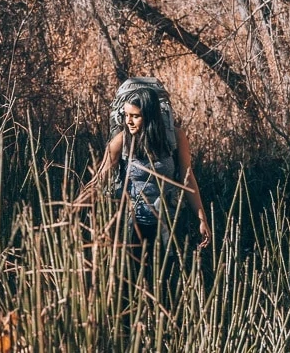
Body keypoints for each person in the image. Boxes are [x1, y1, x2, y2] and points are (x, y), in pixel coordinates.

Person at [80, 86, 211, 254]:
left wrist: (202, 219)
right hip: (133, 224)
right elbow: (99, 180)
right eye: (126, 115)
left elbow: (188, 179)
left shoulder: (175, 138)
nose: (129, 121)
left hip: (169, 221)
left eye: (135, 116)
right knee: (132, 276)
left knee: (168, 274)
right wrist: (74, 208)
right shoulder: (120, 141)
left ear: (150, 116)